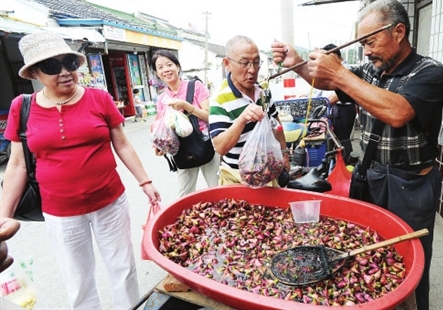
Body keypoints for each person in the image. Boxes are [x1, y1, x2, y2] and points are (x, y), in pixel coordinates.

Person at [271, 0, 443, 310]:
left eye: (371, 42)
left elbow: (398, 112)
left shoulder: (430, 72)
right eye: (362, 43)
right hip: (373, 176)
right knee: (369, 252)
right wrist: (298, 62)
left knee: (411, 259)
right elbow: (325, 79)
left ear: (399, 32)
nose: (366, 51)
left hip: (411, 185)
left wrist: (339, 74)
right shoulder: (369, 70)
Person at [1, 31, 161, 310]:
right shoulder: (22, 107)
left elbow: (122, 144)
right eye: (52, 66)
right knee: (78, 279)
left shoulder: (99, 99)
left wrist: (145, 181)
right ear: (35, 73)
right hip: (60, 212)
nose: (64, 72)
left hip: (110, 202)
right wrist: (3, 217)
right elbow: (17, 163)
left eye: (70, 64)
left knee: (122, 269)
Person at [209, 35, 290, 185]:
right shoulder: (219, 100)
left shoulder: (263, 90)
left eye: (257, 62)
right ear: (227, 63)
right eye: (245, 63)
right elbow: (220, 147)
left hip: (267, 171)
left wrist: (284, 154)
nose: (252, 70)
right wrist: (242, 119)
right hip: (237, 178)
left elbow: (276, 124)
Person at [150, 49, 219, 197]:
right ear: (156, 73)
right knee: (185, 196)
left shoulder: (196, 86)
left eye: (169, 65)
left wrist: (187, 106)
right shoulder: (162, 99)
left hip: (206, 144)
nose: (166, 70)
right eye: (160, 67)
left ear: (178, 67)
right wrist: (159, 145)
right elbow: (163, 128)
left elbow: (209, 116)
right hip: (183, 150)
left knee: (218, 189)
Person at [320, 44, 357, 162]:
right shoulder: (338, 69)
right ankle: (342, 163)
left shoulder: (346, 69)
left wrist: (322, 105)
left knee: (343, 139)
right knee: (338, 138)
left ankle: (348, 164)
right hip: (339, 109)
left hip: (344, 110)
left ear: (334, 55)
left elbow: (338, 94)